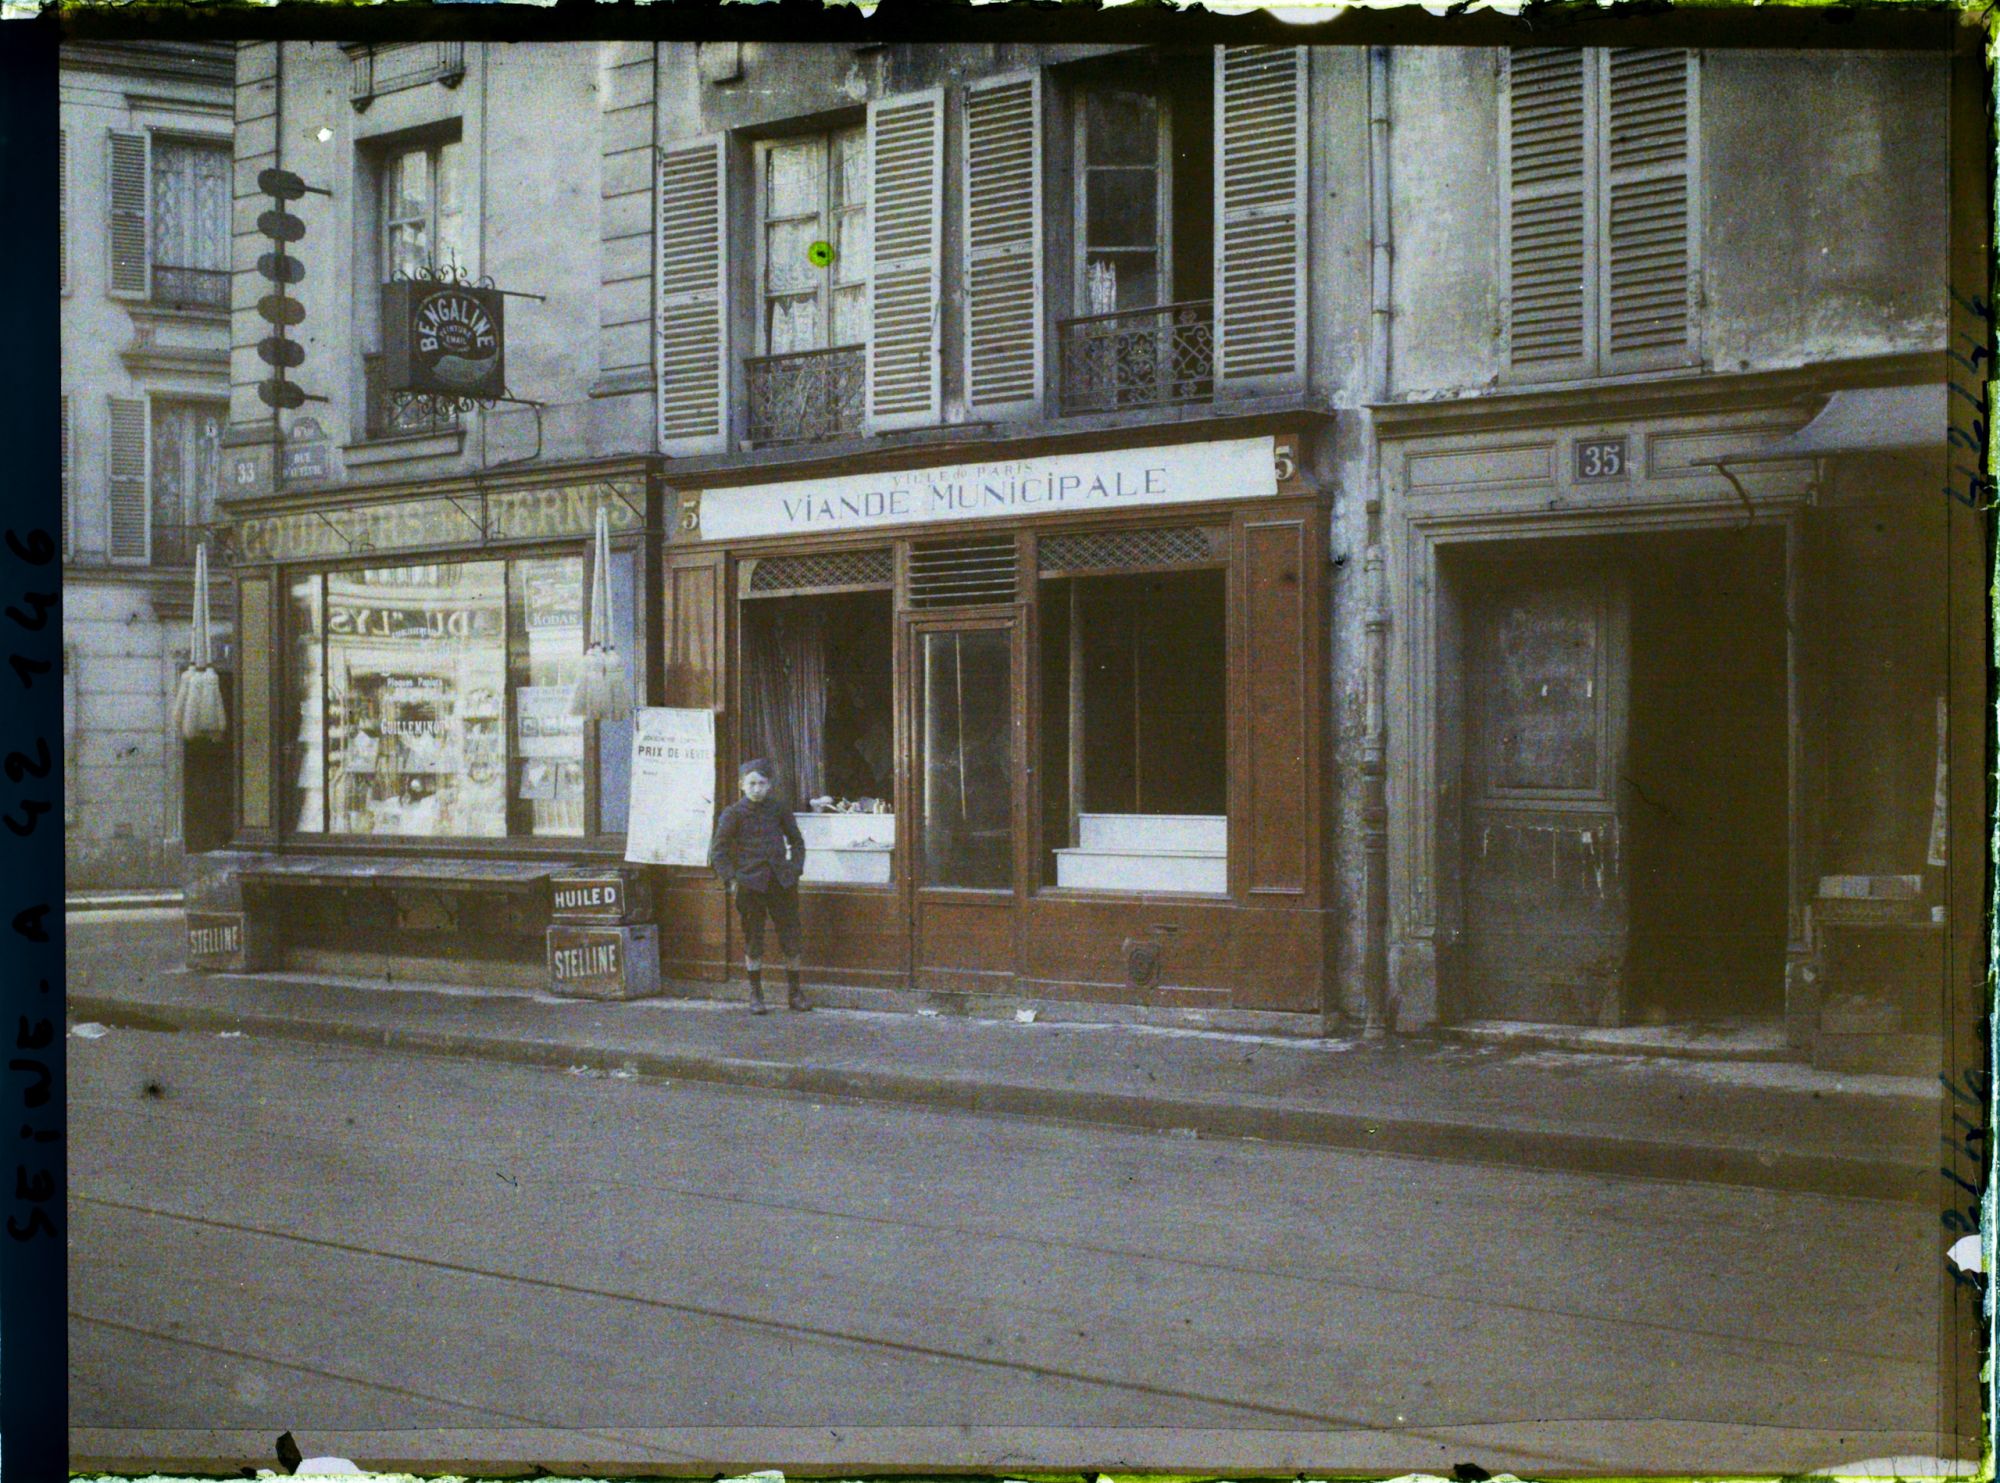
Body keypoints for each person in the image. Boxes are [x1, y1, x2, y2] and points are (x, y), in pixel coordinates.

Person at [708, 758, 809, 1014]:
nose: (757, 789)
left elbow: (797, 842)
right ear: (742, 785)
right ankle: (756, 994)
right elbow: (717, 852)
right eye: (751, 783)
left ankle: (795, 993)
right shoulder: (733, 813)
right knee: (754, 939)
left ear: (769, 785)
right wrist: (732, 878)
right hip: (750, 885)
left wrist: (794, 870)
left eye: (761, 783)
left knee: (791, 937)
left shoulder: (779, 809)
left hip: (782, 884)